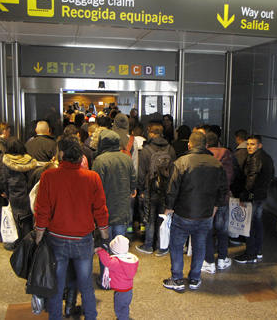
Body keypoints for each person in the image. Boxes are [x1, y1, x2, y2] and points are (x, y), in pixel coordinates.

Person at [35, 135, 109, 320]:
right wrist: (104, 233)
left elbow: (42, 209)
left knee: (57, 285)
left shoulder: (49, 176)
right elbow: (100, 209)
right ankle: (91, 316)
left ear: (61, 154)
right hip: (83, 239)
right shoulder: (92, 177)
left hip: (56, 238)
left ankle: (55, 317)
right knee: (85, 286)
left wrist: (38, 235)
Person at [162, 132, 228, 291]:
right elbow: (223, 189)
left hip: (184, 213)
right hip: (206, 214)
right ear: (206, 146)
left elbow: (172, 190)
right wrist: (215, 206)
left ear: (189, 145)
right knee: (200, 245)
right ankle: (194, 279)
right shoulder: (217, 164)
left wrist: (169, 208)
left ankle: (177, 279)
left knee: (177, 245)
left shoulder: (181, 162)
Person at [92, 129, 137, 287]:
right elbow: (133, 183)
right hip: (122, 209)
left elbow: (95, 188)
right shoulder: (126, 158)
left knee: (105, 245)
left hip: (104, 211)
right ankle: (119, 277)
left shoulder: (99, 160)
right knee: (120, 246)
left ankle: (106, 279)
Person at [136, 123, 176, 256]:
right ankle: (162, 247)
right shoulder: (170, 149)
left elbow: (141, 173)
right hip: (166, 191)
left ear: (151, 133)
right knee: (162, 219)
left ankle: (148, 245)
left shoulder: (146, 150)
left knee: (149, 218)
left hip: (150, 190)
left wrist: (141, 190)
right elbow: (174, 172)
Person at [234, 134, 274, 264]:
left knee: (249, 225)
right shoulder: (266, 157)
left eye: (253, 144)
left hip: (253, 196)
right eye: (248, 144)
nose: (249, 147)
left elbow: (251, 179)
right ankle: (258, 250)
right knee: (258, 222)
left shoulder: (255, 159)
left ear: (259, 145)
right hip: (261, 195)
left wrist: (244, 196)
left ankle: (250, 252)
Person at [202, 132, 234, 274]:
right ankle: (222, 259)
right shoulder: (227, 154)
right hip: (223, 198)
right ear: (219, 143)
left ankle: (209, 262)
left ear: (206, 144)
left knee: (207, 230)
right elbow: (233, 174)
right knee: (222, 230)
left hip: (207, 199)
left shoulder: (203, 156)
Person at [2, 137, 37, 251]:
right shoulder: (29, 160)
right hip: (26, 195)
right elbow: (32, 180)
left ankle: (18, 243)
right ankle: (28, 244)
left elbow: (5, 180)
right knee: (27, 219)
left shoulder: (7, 161)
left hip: (14, 195)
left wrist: (7, 194)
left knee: (16, 218)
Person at [95, 235, 139, 320]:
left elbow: (106, 260)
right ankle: (124, 317)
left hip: (121, 292)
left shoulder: (117, 263)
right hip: (128, 290)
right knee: (124, 307)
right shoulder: (130, 260)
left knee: (119, 309)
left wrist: (100, 251)